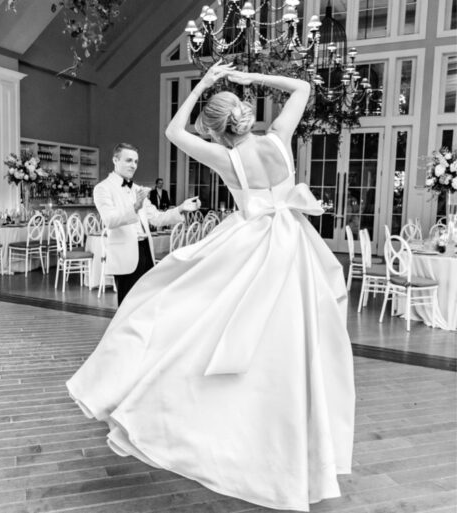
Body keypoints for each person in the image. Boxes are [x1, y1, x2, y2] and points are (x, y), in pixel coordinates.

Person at [67, 63, 353, 511]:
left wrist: (202, 82)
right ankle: (295, 444)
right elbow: (302, 86)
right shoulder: (279, 136)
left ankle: (209, 417)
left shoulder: (226, 157)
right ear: (242, 115)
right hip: (295, 248)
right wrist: (251, 81)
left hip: (255, 247)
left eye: (213, 132)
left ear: (217, 133)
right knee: (293, 340)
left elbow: (173, 130)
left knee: (198, 314)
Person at [94, 143, 198, 303]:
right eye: (129, 160)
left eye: (136, 161)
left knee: (144, 302)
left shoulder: (138, 189)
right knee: (127, 305)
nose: (133, 165)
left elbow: (157, 218)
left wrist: (181, 208)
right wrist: (135, 207)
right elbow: (109, 220)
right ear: (115, 160)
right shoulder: (103, 188)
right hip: (125, 254)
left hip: (145, 251)